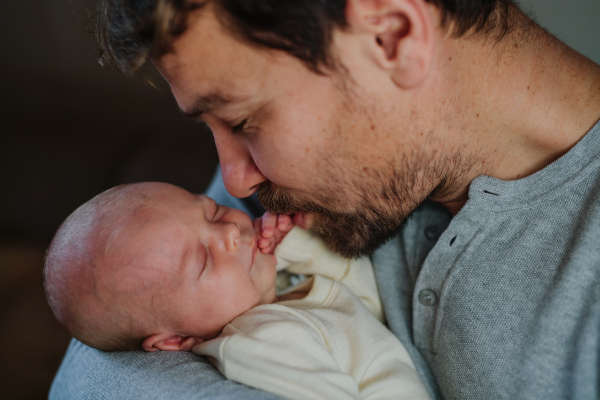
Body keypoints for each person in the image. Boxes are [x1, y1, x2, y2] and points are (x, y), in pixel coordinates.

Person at [50, 0, 600, 399]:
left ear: (391, 37)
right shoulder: (291, 200)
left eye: (243, 120)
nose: (235, 183)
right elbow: (95, 359)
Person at [44, 182, 431, 400]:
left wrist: (295, 248)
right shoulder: (258, 342)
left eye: (210, 210)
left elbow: (368, 308)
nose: (228, 231)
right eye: (203, 261)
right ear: (176, 339)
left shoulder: (283, 292)